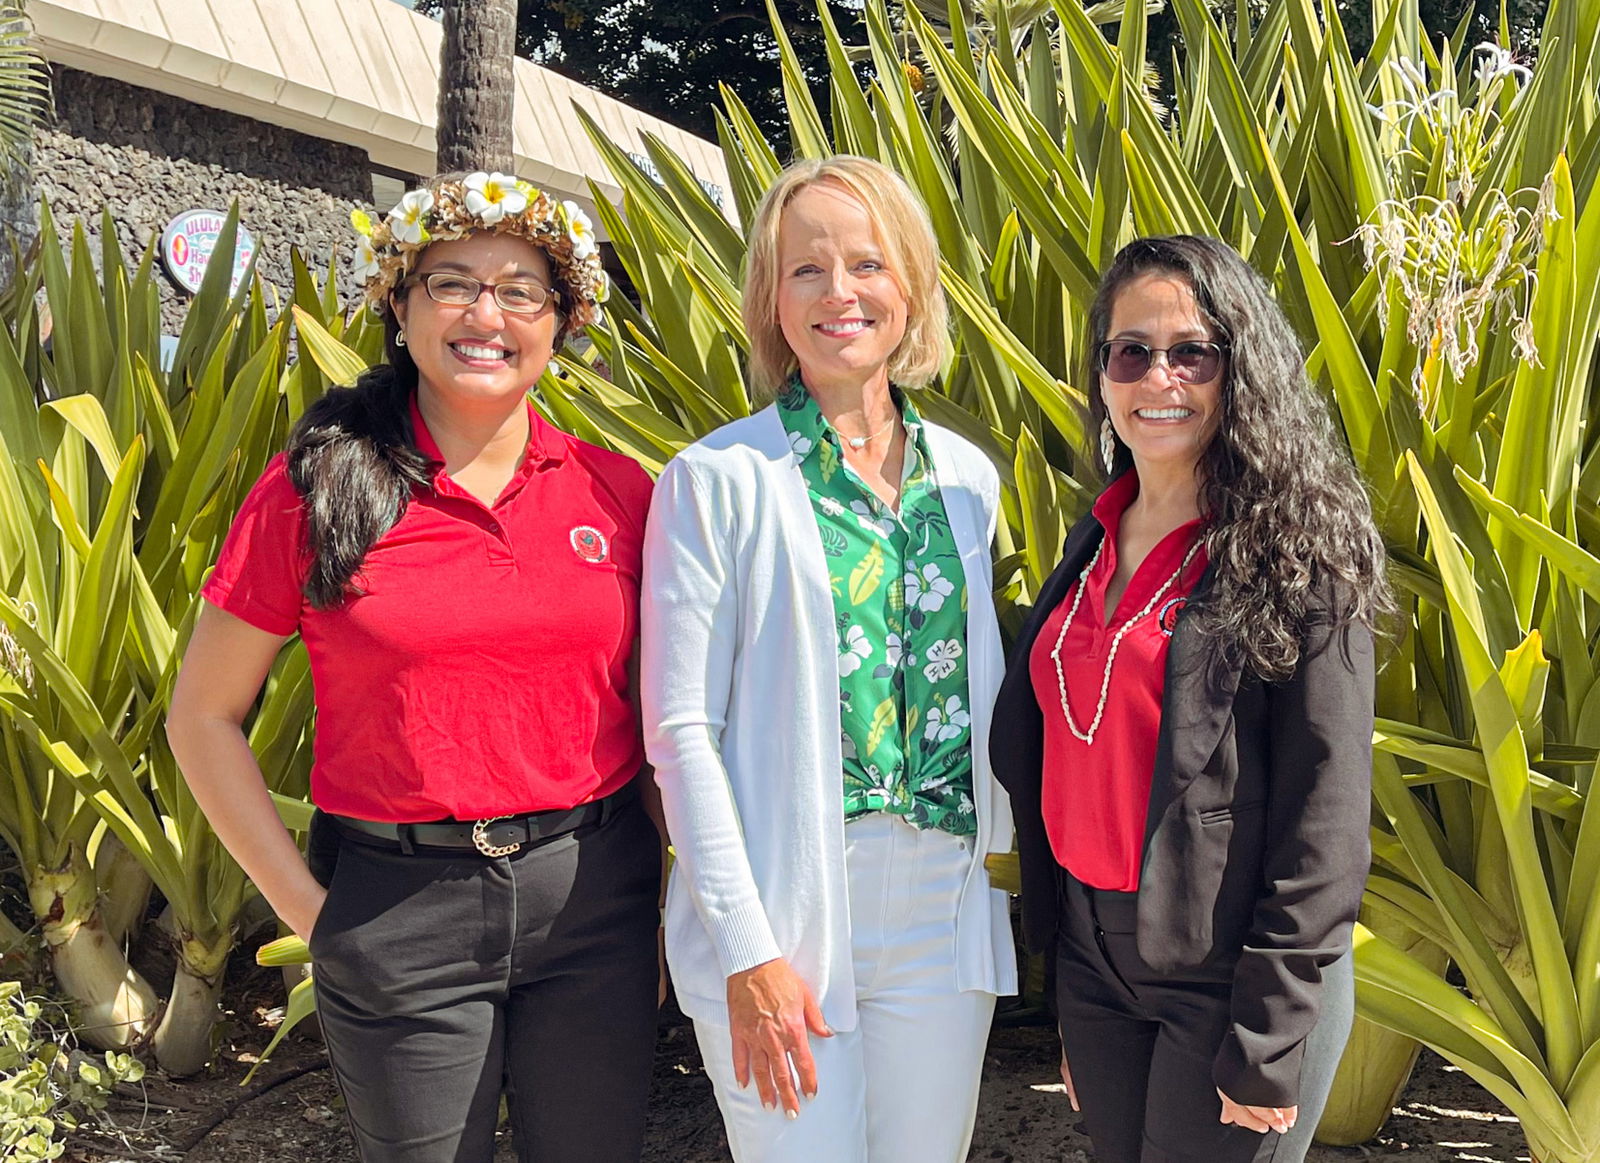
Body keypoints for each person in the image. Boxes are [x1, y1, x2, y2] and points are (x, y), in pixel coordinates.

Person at [166, 172, 662, 1162]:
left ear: (562, 320)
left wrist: (661, 908)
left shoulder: (618, 492)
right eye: (452, 282)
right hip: (397, 908)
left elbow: (655, 719)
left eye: (522, 288)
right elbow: (201, 716)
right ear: (398, 302)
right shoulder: (315, 486)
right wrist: (316, 916)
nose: (488, 313)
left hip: (594, 896)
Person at [640, 155, 1017, 1162]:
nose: (839, 292)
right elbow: (680, 733)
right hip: (787, 901)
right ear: (770, 298)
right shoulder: (715, 479)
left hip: (944, 907)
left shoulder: (969, 481)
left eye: (867, 262)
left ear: (912, 288)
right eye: (806, 269)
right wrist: (746, 948)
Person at [990, 235, 1392, 1163]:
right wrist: (1070, 979)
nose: (1158, 376)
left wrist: (1270, 1032)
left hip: (1232, 974)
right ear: (1102, 377)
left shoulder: (1299, 559)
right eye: (1130, 351)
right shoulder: (1091, 544)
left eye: (1191, 352)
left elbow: (1325, 818)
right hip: (1096, 962)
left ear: (1238, 370)